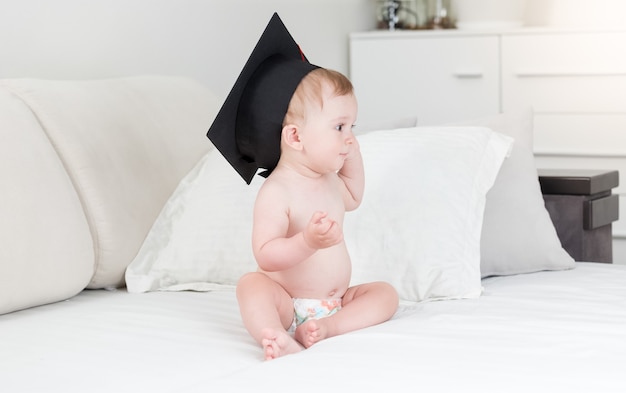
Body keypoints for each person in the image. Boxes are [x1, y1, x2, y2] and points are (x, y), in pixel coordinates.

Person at [207, 13, 398, 361]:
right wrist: (306, 241)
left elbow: (354, 195)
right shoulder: (277, 192)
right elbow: (265, 252)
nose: (350, 137)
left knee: (386, 294)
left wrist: (350, 150)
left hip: (337, 302)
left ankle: (328, 329)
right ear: (295, 137)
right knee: (251, 286)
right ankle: (274, 332)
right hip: (286, 301)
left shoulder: (328, 180)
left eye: (353, 126)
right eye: (339, 127)